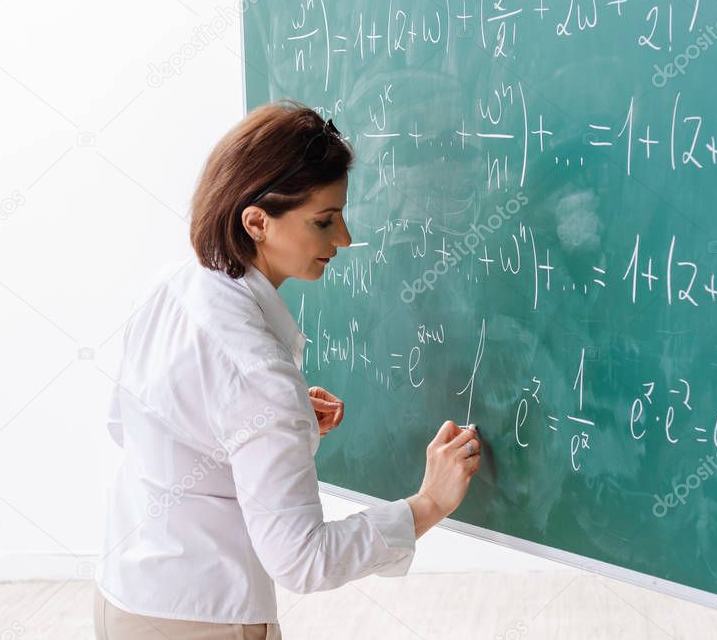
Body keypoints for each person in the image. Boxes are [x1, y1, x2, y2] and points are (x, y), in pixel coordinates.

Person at [94, 100, 482, 639]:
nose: (343, 239)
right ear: (256, 221)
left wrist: (253, 430)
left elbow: (127, 426)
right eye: (324, 221)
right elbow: (303, 560)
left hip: (124, 597)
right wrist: (429, 503)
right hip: (207, 619)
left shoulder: (172, 286)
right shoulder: (262, 379)